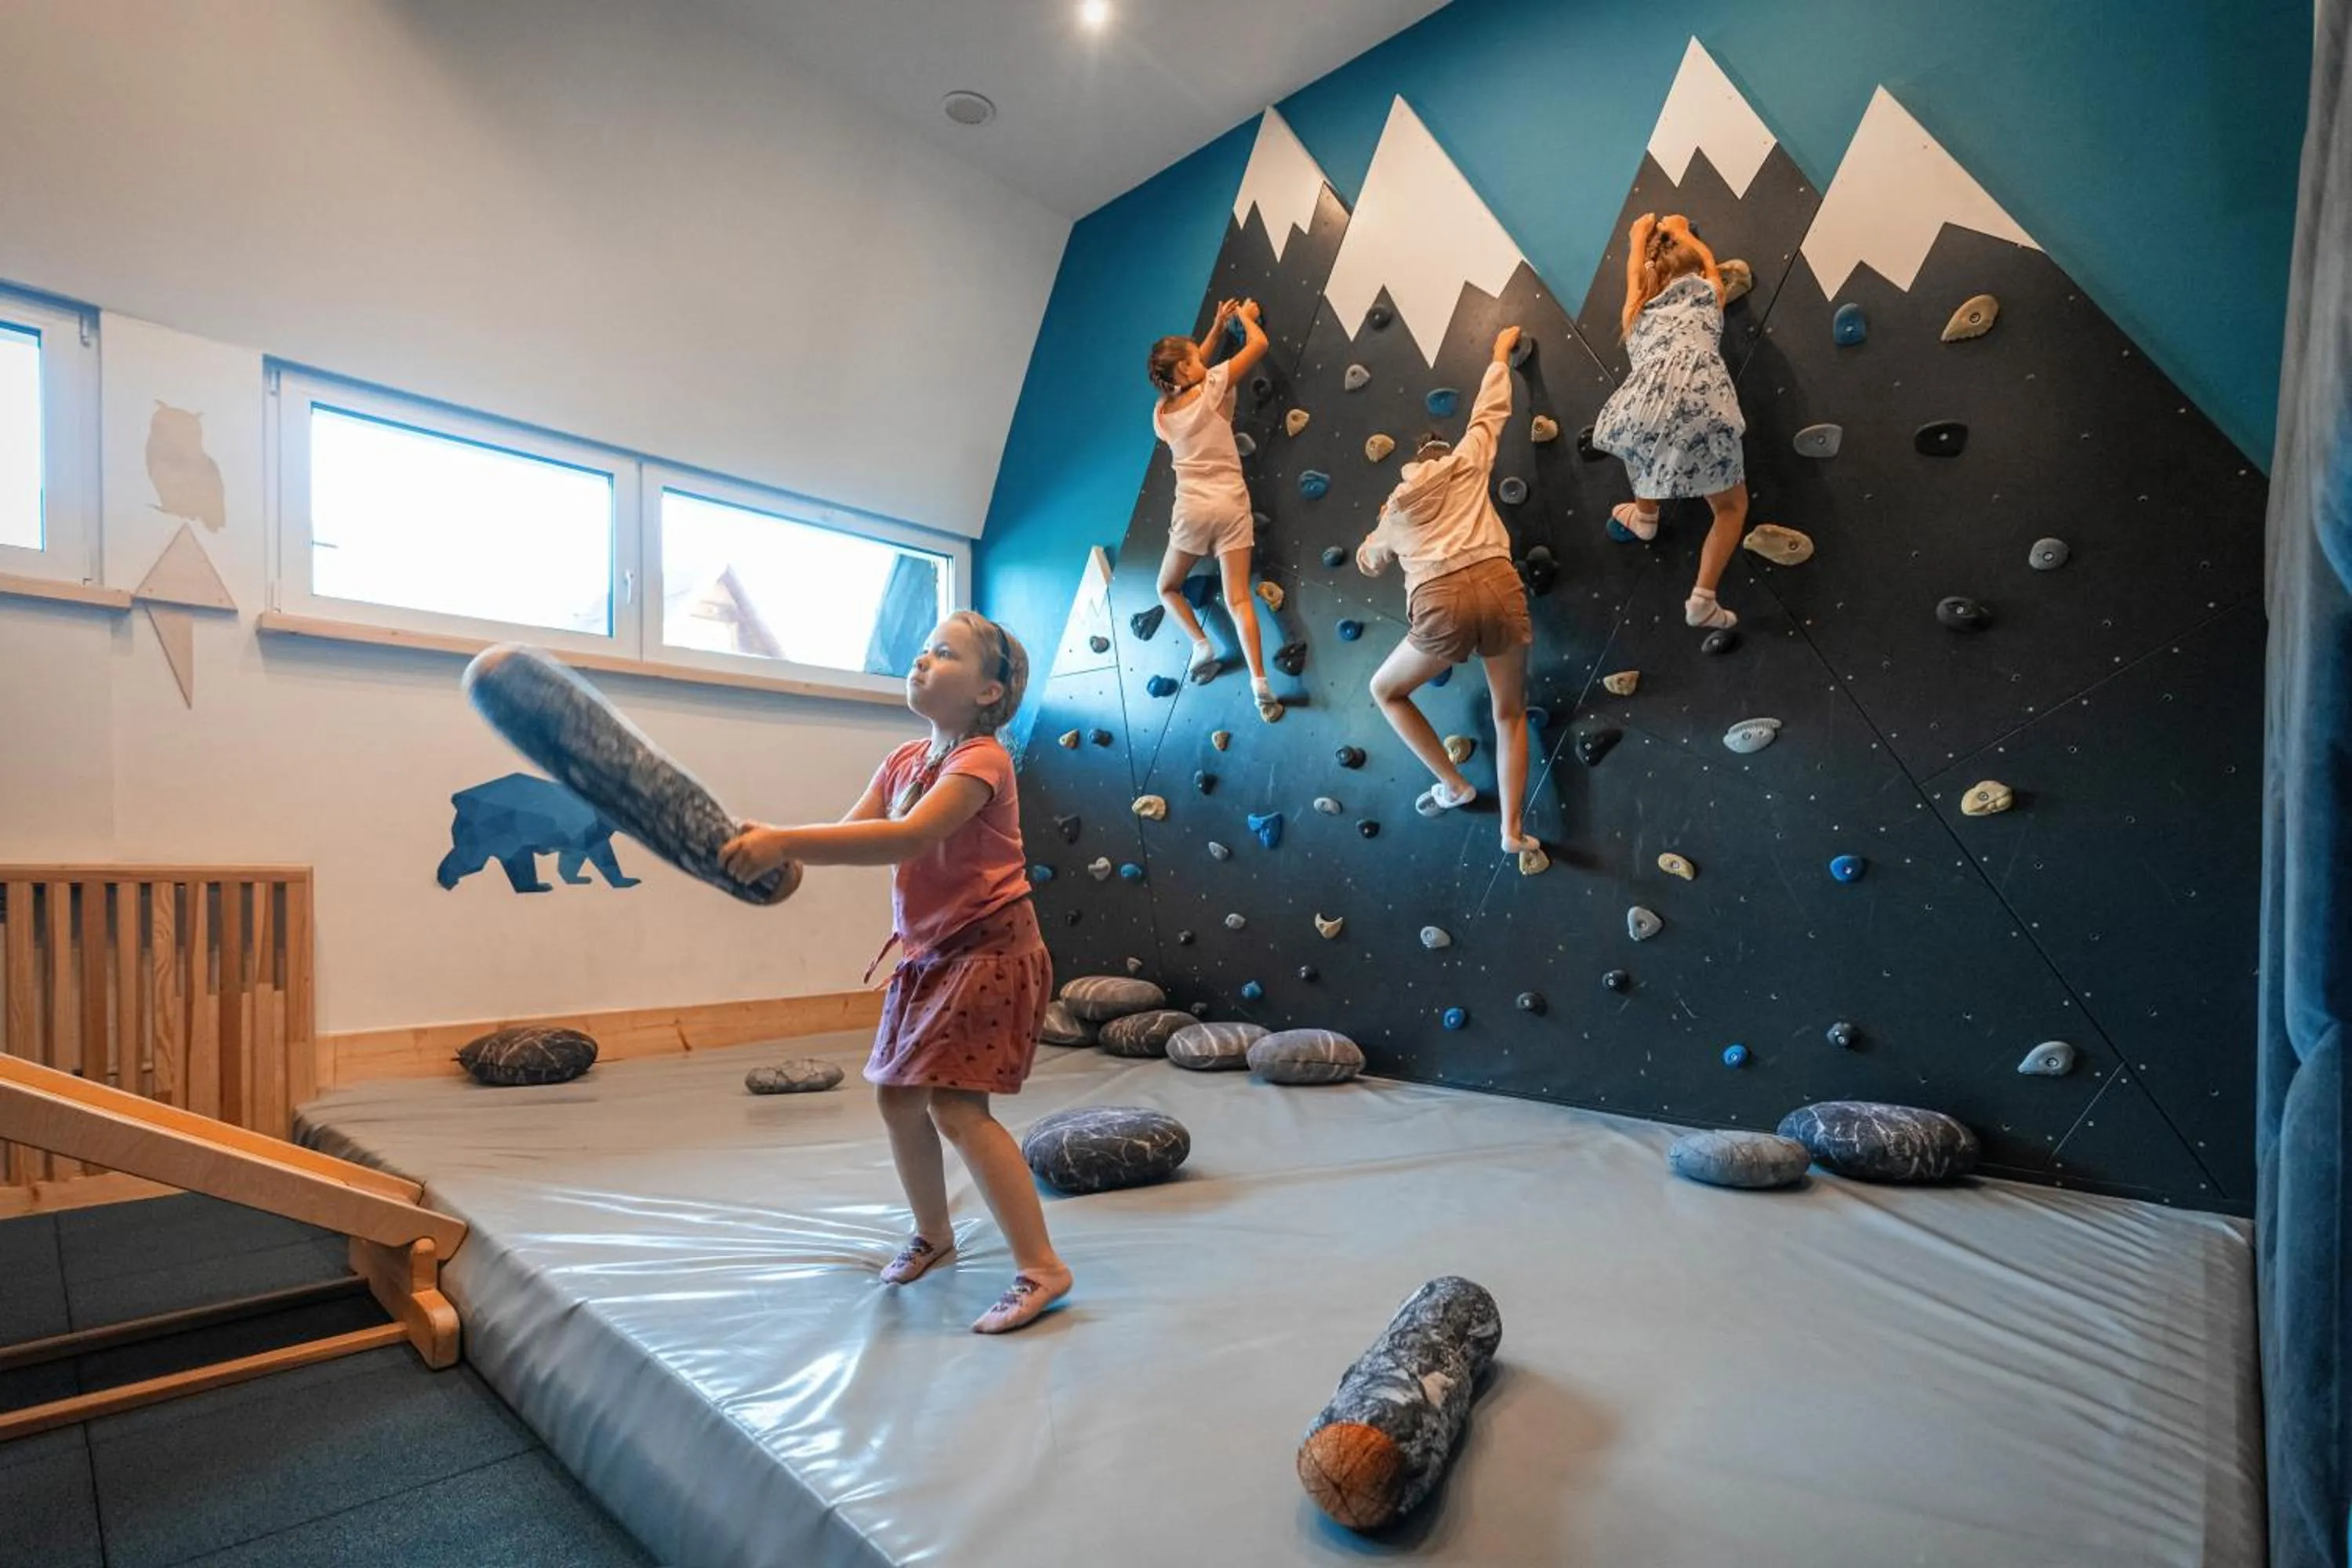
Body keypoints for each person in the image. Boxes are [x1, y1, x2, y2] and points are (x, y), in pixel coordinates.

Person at [720, 610, 1069, 1334]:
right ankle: (934, 1234)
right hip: (929, 954)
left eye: (944, 654)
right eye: (922, 650)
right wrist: (781, 849)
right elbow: (856, 831)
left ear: (989, 692)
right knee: (897, 1098)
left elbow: (905, 837)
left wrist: (784, 842)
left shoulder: (983, 761)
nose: (922, 660)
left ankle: (1041, 1268)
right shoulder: (906, 759)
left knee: (959, 1110)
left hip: (989, 952)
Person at [1355, 326, 1547, 874]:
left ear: (1412, 466)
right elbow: (1490, 412)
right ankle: (1512, 830)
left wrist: (1379, 530)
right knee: (1509, 713)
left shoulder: (1396, 505)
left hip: (1440, 602)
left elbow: (1369, 562)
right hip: (1498, 583)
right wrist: (1499, 353)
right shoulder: (1466, 462)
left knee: (1385, 690)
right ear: (1442, 454)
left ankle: (1454, 784)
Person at [1592, 212, 1748, 630]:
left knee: (1641, 443)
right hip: (1700, 403)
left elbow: (1633, 277)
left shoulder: (1636, 313)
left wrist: (1637, 238)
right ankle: (1703, 599)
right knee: (1731, 507)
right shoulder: (1707, 293)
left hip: (1643, 409)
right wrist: (1681, 233)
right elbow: (1710, 262)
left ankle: (1645, 517)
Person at [1147, 298, 1283, 721]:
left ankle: (1201, 643)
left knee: (1167, 588)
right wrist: (1243, 319)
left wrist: (1215, 329)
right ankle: (1260, 681)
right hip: (1230, 504)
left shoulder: (1161, 415)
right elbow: (1258, 345)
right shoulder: (1215, 383)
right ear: (1186, 369)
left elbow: (1189, 370)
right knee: (1239, 598)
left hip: (1191, 510)